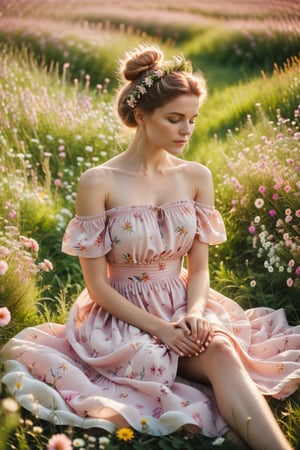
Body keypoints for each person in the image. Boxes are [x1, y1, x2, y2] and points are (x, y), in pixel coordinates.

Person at [2, 44, 299, 449]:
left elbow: (199, 269)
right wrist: (162, 330)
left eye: (192, 120)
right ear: (141, 116)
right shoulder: (98, 181)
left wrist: (194, 314)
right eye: (174, 119)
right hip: (119, 314)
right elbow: (97, 287)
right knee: (161, 361)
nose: (186, 130)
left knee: (222, 350)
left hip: (182, 301)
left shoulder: (196, 176)